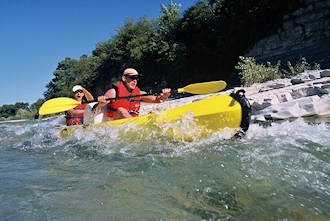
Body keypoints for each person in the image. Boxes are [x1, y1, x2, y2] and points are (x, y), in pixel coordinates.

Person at [94, 68, 171, 120]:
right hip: (115, 125)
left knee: (157, 110)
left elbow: (158, 100)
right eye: (132, 78)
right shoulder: (113, 92)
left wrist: (164, 96)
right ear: (124, 78)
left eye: (136, 78)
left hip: (133, 122)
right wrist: (100, 104)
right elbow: (94, 111)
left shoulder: (139, 93)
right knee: (122, 110)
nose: (135, 81)